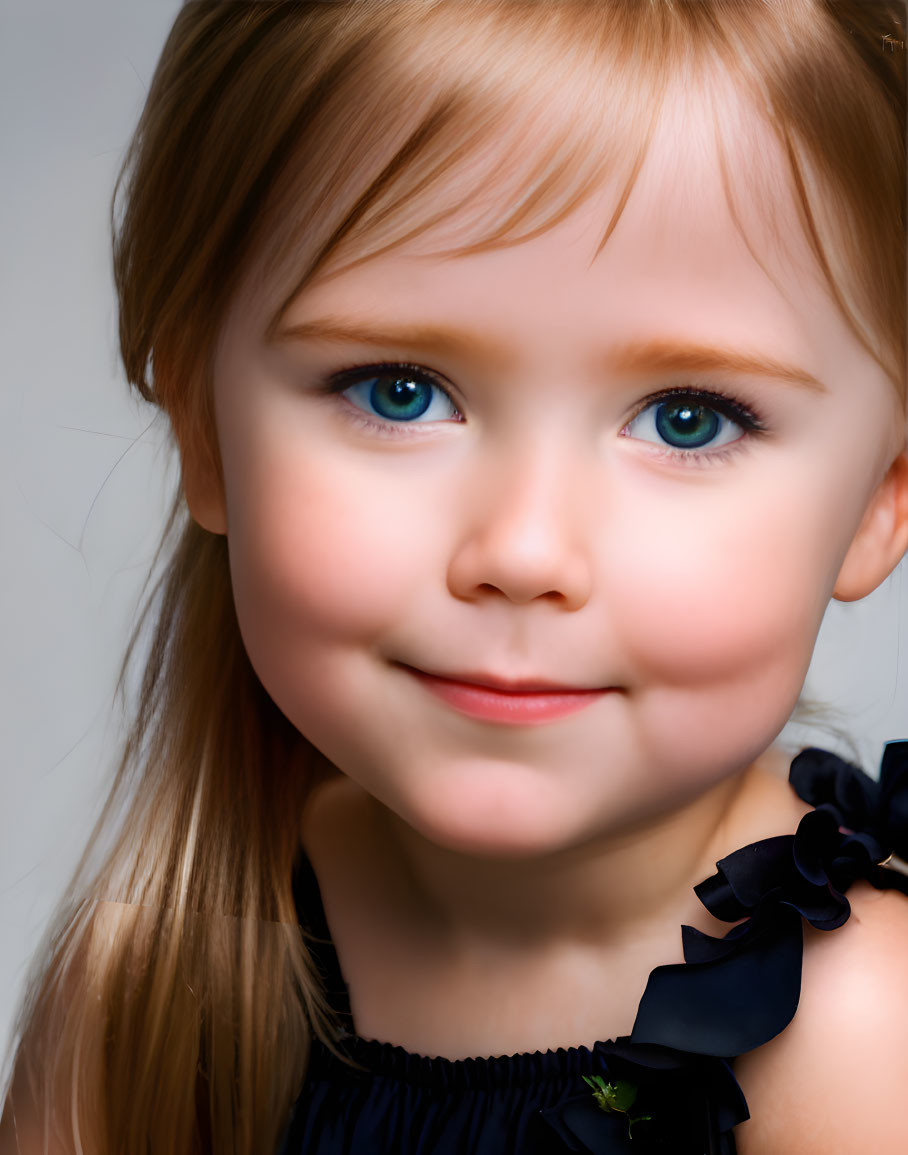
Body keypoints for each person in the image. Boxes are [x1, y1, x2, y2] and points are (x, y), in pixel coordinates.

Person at [2, 0, 908, 1151]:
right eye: (399, 390)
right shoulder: (151, 983)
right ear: (201, 431)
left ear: (884, 496)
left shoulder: (860, 1036)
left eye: (686, 421)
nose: (521, 552)